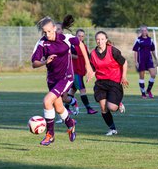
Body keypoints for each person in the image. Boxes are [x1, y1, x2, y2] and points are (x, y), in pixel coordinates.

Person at [31, 16, 94, 146]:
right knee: (59, 107)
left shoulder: (65, 38)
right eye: (44, 32)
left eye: (49, 31)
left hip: (66, 77)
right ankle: (70, 124)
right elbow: (34, 63)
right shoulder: (42, 43)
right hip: (52, 79)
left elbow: (80, 44)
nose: (47, 34)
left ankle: (50, 135)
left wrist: (88, 66)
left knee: (47, 101)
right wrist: (44, 61)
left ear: (54, 28)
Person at [90, 31, 129, 136]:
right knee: (103, 107)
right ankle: (112, 129)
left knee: (112, 107)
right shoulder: (93, 54)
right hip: (101, 83)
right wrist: (91, 73)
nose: (100, 41)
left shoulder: (113, 51)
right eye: (98, 39)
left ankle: (118, 103)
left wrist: (124, 76)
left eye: (102, 39)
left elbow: (124, 62)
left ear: (106, 40)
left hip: (114, 82)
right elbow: (93, 67)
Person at [65, 29, 98, 115]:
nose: (80, 37)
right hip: (75, 71)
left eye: (82, 36)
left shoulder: (84, 45)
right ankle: (88, 108)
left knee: (72, 91)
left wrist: (89, 70)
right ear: (75, 36)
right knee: (83, 90)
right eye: (79, 36)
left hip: (81, 71)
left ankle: (66, 109)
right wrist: (72, 55)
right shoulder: (72, 45)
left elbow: (87, 58)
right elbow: (70, 55)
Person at [132, 25, 158, 98]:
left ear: (147, 31)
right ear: (140, 31)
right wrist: (136, 62)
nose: (144, 32)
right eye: (142, 30)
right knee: (142, 77)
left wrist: (156, 59)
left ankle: (148, 90)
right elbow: (135, 51)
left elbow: (152, 50)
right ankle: (143, 93)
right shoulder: (138, 40)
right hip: (141, 60)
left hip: (149, 60)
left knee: (153, 74)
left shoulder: (150, 40)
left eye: (145, 30)